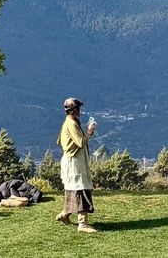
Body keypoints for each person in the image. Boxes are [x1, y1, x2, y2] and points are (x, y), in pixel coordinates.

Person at [55, 96, 98, 233]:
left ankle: (64, 215)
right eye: (79, 109)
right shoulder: (71, 124)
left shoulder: (69, 122)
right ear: (75, 110)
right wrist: (90, 132)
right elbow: (80, 142)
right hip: (74, 162)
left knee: (73, 190)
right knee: (81, 189)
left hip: (73, 161)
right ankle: (82, 224)